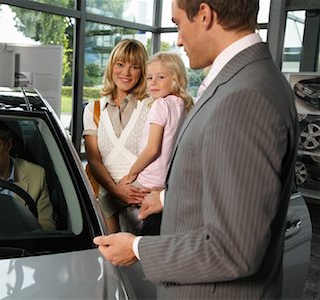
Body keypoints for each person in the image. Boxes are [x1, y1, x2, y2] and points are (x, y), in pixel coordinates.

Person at [93, 0, 298, 299]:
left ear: (204, 14)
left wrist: (137, 247)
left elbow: (233, 249)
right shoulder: (241, 81)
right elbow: (227, 181)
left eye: (177, 23)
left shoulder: (244, 96)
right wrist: (167, 197)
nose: (178, 39)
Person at [83, 39, 153, 234]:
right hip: (106, 202)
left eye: (134, 67)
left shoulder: (151, 105)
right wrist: (115, 190)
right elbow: (94, 159)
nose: (126, 72)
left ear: (142, 71)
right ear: (111, 66)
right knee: (110, 260)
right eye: (120, 64)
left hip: (143, 200)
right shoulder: (93, 109)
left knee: (143, 260)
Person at [118, 52, 193, 189]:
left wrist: (131, 174)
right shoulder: (183, 105)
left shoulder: (160, 105)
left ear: (177, 79)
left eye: (161, 77)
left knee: (109, 201)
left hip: (148, 179)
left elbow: (152, 149)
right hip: (168, 180)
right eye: (149, 78)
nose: (153, 82)